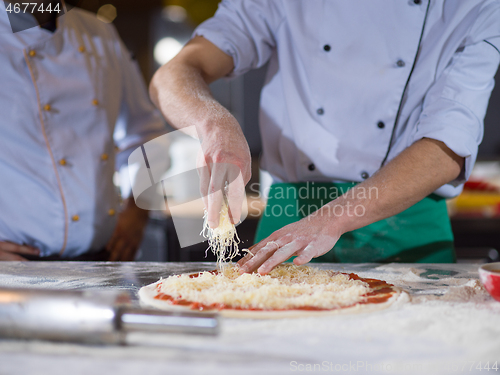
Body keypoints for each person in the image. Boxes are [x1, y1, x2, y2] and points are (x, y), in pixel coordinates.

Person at [149, 0, 500, 273]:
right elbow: (173, 75)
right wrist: (215, 126)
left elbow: (446, 146)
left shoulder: (476, 6)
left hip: (408, 222)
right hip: (289, 219)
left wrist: (330, 220)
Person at [0, 1, 167, 261]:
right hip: (14, 269)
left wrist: (137, 210)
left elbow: (144, 133)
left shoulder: (100, 33)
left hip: (103, 259)